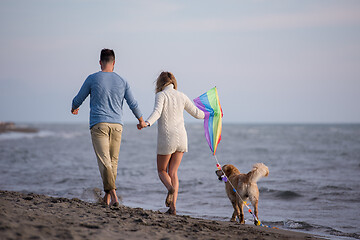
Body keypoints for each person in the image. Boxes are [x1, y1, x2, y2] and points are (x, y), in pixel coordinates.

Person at [71, 48, 146, 207]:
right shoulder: (122, 81)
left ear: (100, 62)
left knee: (104, 161)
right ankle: (106, 198)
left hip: (99, 124)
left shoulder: (92, 78)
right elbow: (133, 103)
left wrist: (74, 107)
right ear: (114, 63)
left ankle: (114, 196)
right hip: (117, 125)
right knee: (113, 162)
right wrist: (141, 120)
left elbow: (79, 98)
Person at [138, 72, 205, 215]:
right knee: (173, 172)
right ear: (173, 82)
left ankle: (170, 189)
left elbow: (157, 113)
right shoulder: (182, 95)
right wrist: (211, 113)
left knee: (162, 171)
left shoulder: (161, 95)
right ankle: (173, 207)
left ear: (160, 83)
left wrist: (146, 123)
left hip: (167, 138)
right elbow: (198, 114)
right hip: (182, 138)